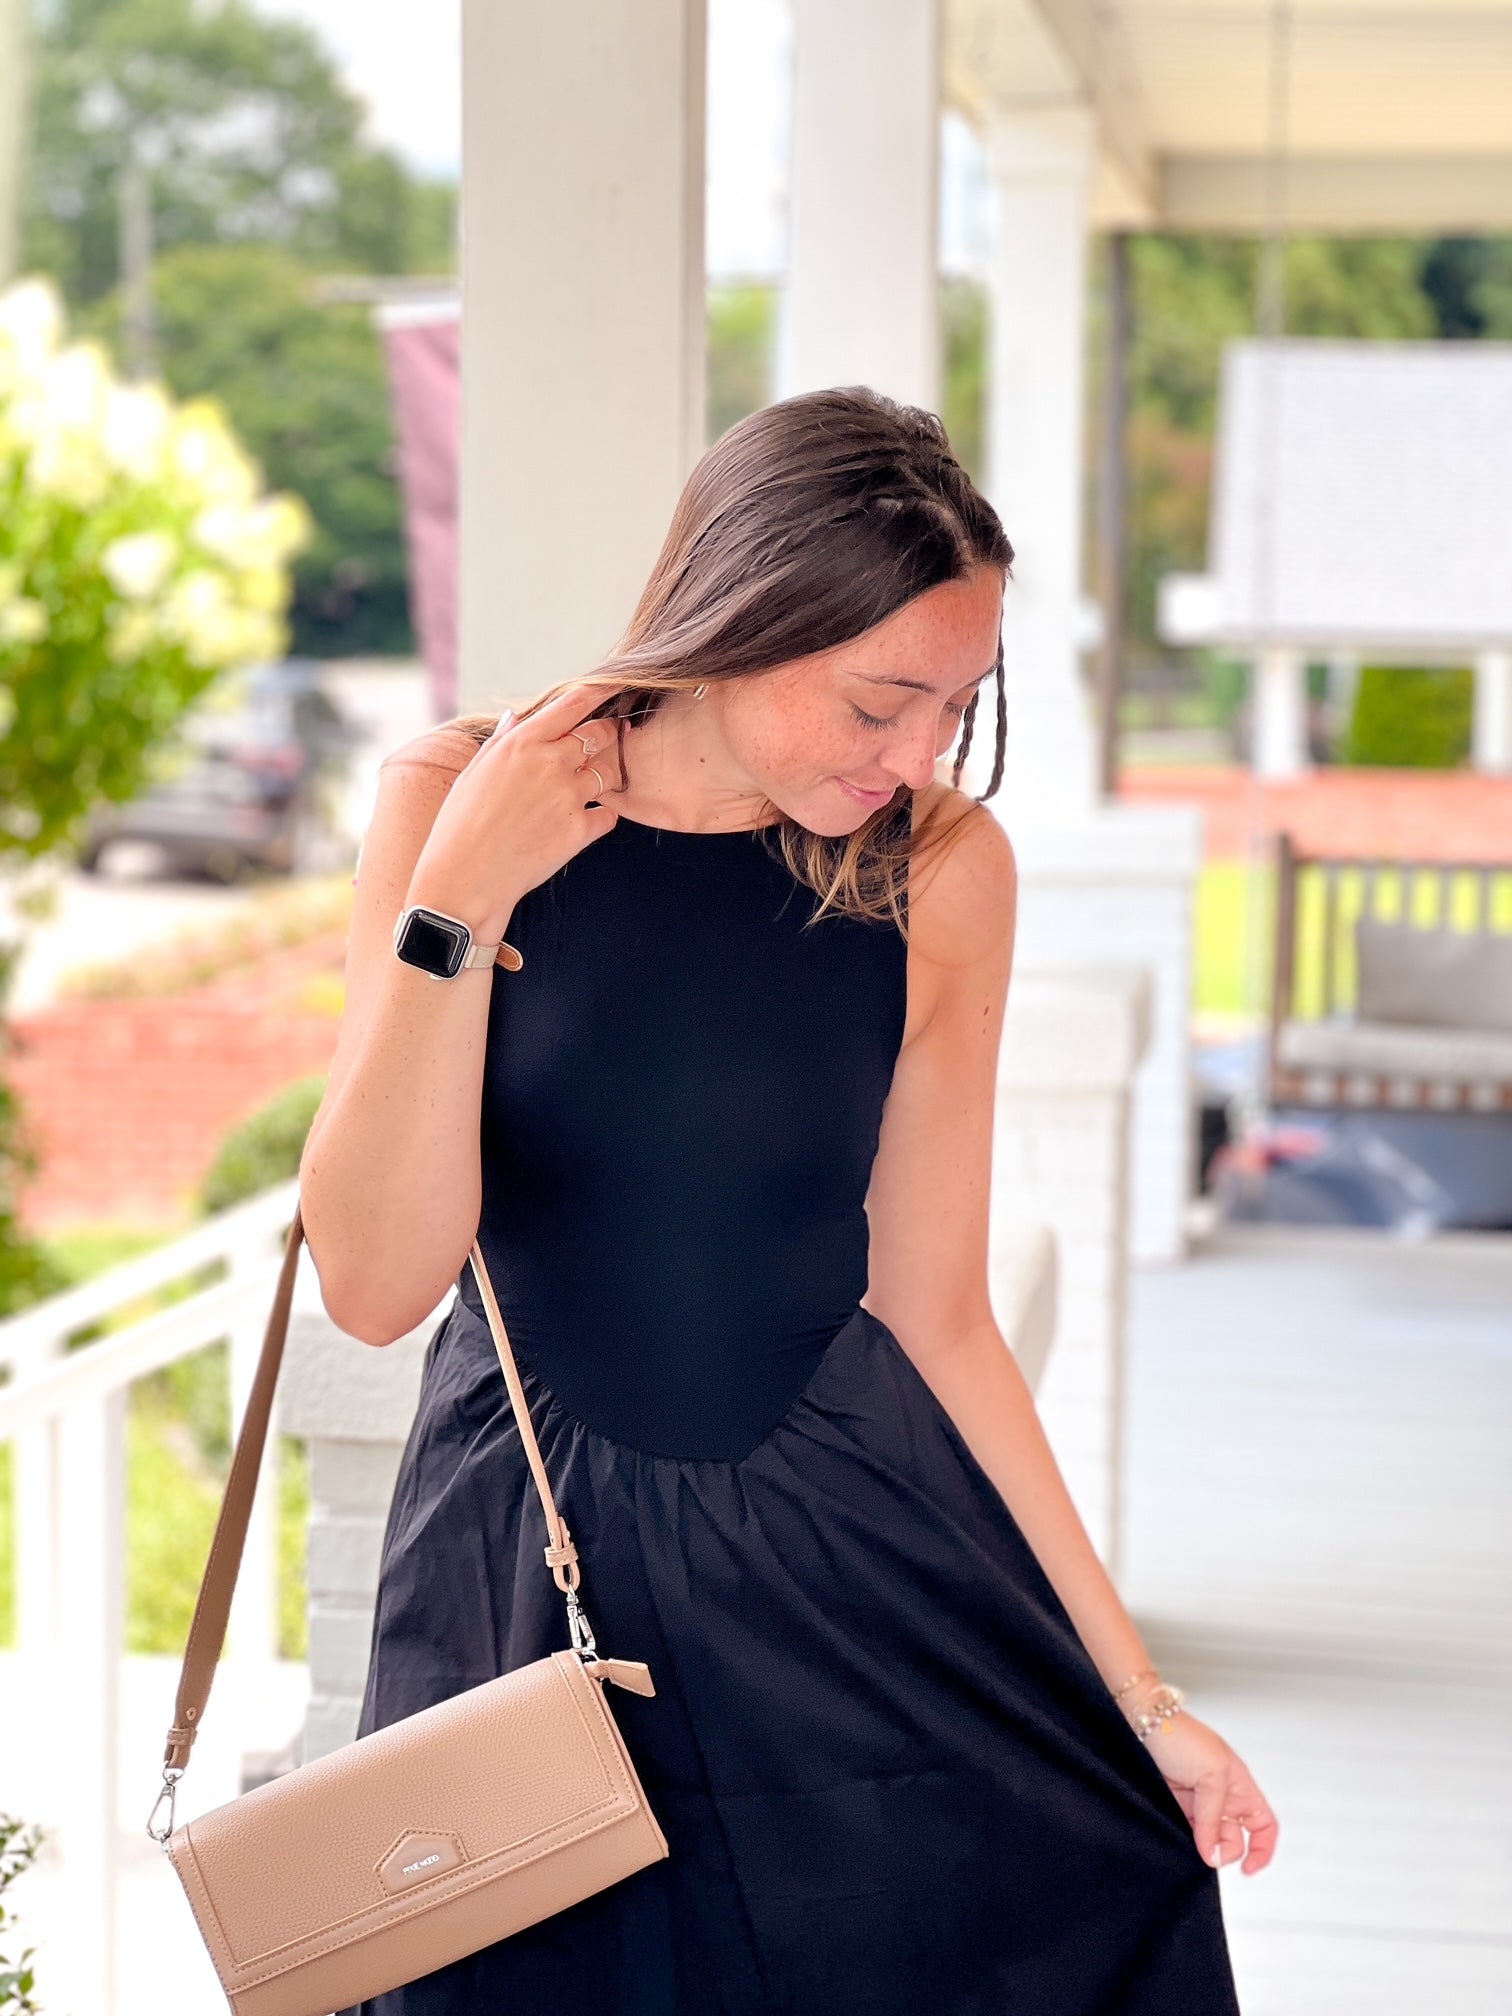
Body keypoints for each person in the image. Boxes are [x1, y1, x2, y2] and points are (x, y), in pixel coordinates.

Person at [300, 386, 1275, 2015]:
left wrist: (1143, 1700)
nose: (918, 757)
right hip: (525, 1574)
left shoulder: (939, 871)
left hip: (841, 1573)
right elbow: (376, 1282)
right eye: (882, 703)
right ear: (741, 618)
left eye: (955, 708)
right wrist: (462, 892)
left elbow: (943, 1321)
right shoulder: (455, 799)